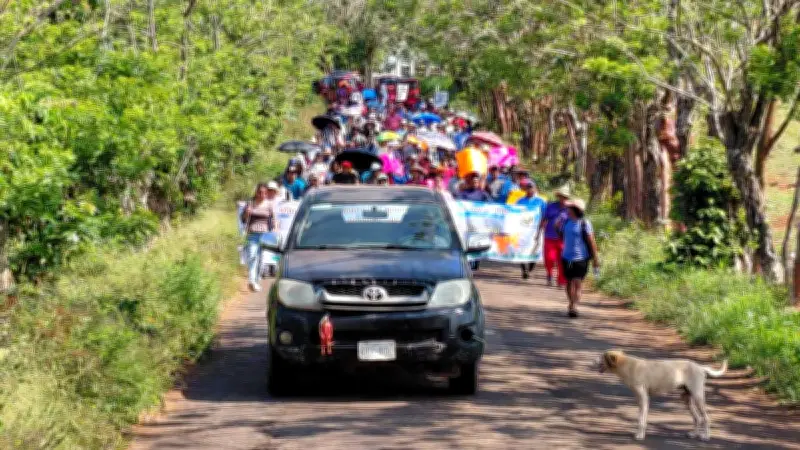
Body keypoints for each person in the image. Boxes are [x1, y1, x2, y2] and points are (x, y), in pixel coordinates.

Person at [558, 198, 600, 318]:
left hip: (581, 258)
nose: (567, 210)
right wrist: (557, 227)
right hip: (567, 258)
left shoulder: (584, 223)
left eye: (569, 208)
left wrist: (595, 258)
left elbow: (591, 241)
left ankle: (574, 306)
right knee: (569, 282)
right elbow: (561, 236)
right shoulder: (565, 222)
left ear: (575, 209)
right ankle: (571, 302)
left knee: (577, 282)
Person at [240, 182, 280, 292]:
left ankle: (256, 280)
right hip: (252, 234)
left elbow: (273, 219)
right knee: (252, 257)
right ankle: (252, 281)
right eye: (259, 192)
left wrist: (275, 231)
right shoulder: (250, 203)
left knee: (261, 258)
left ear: (266, 193)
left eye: (264, 193)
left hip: (265, 236)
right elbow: (243, 220)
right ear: (256, 193)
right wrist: (247, 214)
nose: (261, 195)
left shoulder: (269, 205)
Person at [538, 185, 570, 287]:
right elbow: (544, 219)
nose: (563, 199)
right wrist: (538, 232)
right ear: (558, 196)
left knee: (562, 260)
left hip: (564, 239)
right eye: (561, 196)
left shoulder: (570, 209)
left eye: (565, 197)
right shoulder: (551, 206)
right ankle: (549, 274)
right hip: (549, 236)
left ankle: (561, 280)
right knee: (549, 258)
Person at [515, 179, 547, 279]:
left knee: (534, 250)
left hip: (536, 229)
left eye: (531, 187)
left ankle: (530, 269)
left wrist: (541, 228)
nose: (529, 190)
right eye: (527, 188)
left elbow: (545, 216)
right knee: (521, 249)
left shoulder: (541, 201)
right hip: (523, 229)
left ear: (535, 188)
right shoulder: (520, 201)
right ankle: (524, 269)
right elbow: (515, 214)